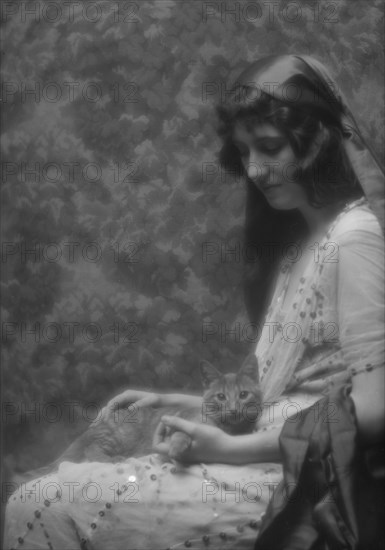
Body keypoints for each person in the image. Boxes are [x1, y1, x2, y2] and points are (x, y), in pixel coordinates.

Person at [3, 55, 384, 550]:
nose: (254, 170)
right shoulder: (300, 247)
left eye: (269, 148)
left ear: (318, 142)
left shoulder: (356, 237)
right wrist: (177, 404)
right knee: (53, 489)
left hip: (309, 477)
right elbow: (280, 393)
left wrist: (231, 448)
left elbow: (375, 410)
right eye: (245, 152)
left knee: (43, 503)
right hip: (272, 453)